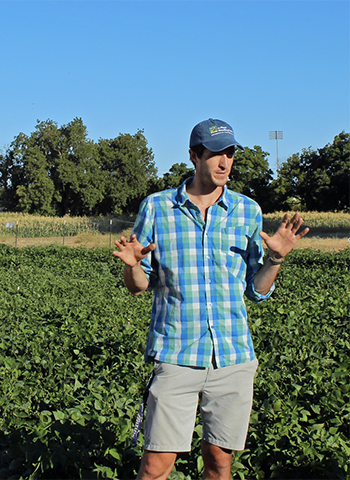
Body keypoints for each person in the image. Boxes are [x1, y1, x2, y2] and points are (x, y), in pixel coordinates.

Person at [113, 118, 309, 480]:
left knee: (219, 462)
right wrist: (131, 266)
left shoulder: (247, 211)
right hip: (176, 353)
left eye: (230, 154)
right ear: (194, 155)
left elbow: (257, 289)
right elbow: (139, 286)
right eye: (216, 154)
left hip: (232, 356)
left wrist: (276, 260)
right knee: (157, 465)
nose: (224, 163)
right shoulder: (157, 208)